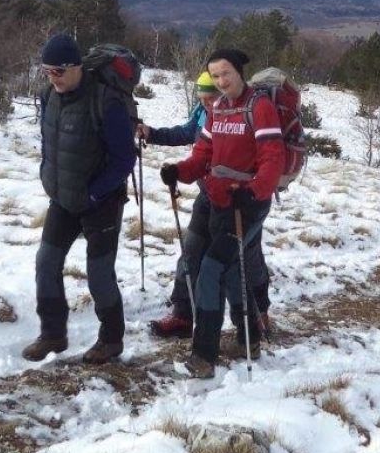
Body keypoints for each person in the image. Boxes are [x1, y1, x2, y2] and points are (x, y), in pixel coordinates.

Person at [160, 48, 284, 378]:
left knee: (213, 269)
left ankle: (203, 356)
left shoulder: (259, 106)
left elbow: (273, 159)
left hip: (246, 204)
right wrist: (179, 171)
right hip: (215, 199)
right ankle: (248, 339)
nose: (221, 81)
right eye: (215, 75)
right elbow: (203, 154)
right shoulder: (217, 109)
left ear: (239, 72)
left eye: (225, 73)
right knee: (224, 269)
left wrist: (253, 192)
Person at [23, 33, 136, 364]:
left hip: (102, 202)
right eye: (47, 71)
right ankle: (52, 334)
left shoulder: (105, 101)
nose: (52, 78)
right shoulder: (49, 96)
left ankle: (111, 340)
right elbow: (51, 143)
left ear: (76, 67)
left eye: (58, 71)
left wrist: (95, 192)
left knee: (99, 274)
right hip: (63, 198)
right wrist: (49, 177)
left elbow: (124, 159)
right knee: (46, 263)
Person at [144, 71, 272, 338]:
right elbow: (186, 133)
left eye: (209, 97)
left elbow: (266, 158)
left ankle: (259, 314)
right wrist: (153, 135)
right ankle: (182, 315)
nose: (205, 104)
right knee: (191, 251)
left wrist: (253, 191)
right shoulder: (205, 112)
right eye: (201, 99)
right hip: (208, 193)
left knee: (245, 260)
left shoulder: (244, 114)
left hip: (242, 199)